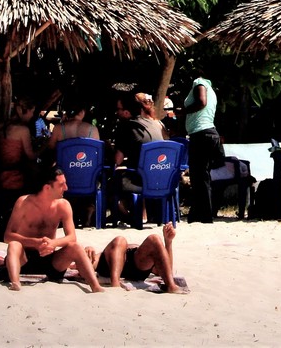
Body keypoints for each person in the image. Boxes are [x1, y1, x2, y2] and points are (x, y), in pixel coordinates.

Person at [2, 165, 105, 293]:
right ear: (47, 188)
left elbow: (72, 237)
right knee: (14, 245)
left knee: (75, 247)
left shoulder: (63, 205)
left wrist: (53, 243)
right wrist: (35, 242)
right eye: (61, 185)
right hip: (24, 258)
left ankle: (95, 286)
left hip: (49, 258)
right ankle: (15, 283)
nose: (66, 188)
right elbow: (8, 236)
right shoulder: (24, 202)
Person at [108, 92, 161, 223]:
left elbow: (117, 160)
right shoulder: (154, 123)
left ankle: (126, 215)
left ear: (127, 112)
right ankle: (138, 213)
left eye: (119, 109)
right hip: (162, 179)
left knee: (109, 183)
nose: (117, 112)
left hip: (142, 182)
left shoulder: (127, 126)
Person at [93, 222, 183, 292]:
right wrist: (88, 250)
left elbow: (163, 270)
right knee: (120, 240)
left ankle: (171, 286)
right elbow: (88, 262)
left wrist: (168, 242)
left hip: (135, 264)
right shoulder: (100, 257)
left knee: (154, 239)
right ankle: (115, 284)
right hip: (110, 263)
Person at [183, 75, 223, 223]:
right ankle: (199, 212)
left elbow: (201, 102)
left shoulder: (199, 82)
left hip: (201, 134)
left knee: (199, 176)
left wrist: (184, 111)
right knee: (201, 176)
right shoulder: (211, 89)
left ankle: (205, 214)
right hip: (209, 134)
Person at [0, 98, 40, 213]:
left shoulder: (2, 127)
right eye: (32, 112)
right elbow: (30, 155)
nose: (32, 116)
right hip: (16, 175)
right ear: (25, 111)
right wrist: (45, 147)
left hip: (0, 173)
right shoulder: (22, 130)